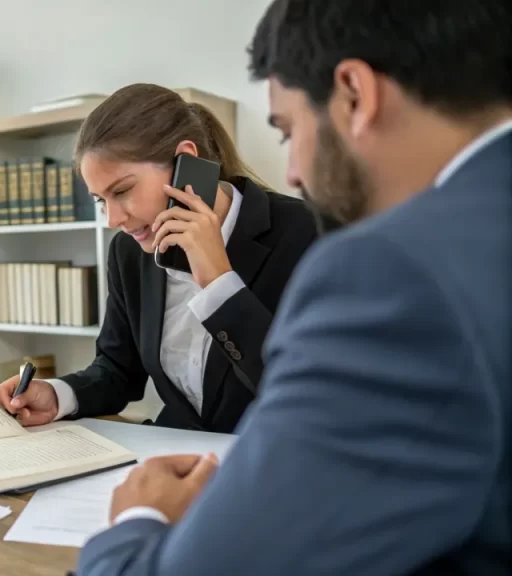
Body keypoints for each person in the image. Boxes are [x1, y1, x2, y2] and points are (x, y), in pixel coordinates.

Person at [73, 1, 512, 575]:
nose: (297, 171)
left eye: (287, 130)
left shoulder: (377, 266)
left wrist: (135, 521)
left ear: (355, 92)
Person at [0, 83, 325, 433]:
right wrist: (58, 395)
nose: (113, 219)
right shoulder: (129, 252)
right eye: (100, 200)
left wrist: (219, 283)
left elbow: (310, 391)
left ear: (187, 160)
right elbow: (118, 370)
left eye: (122, 191)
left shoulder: (308, 235)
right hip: (173, 461)